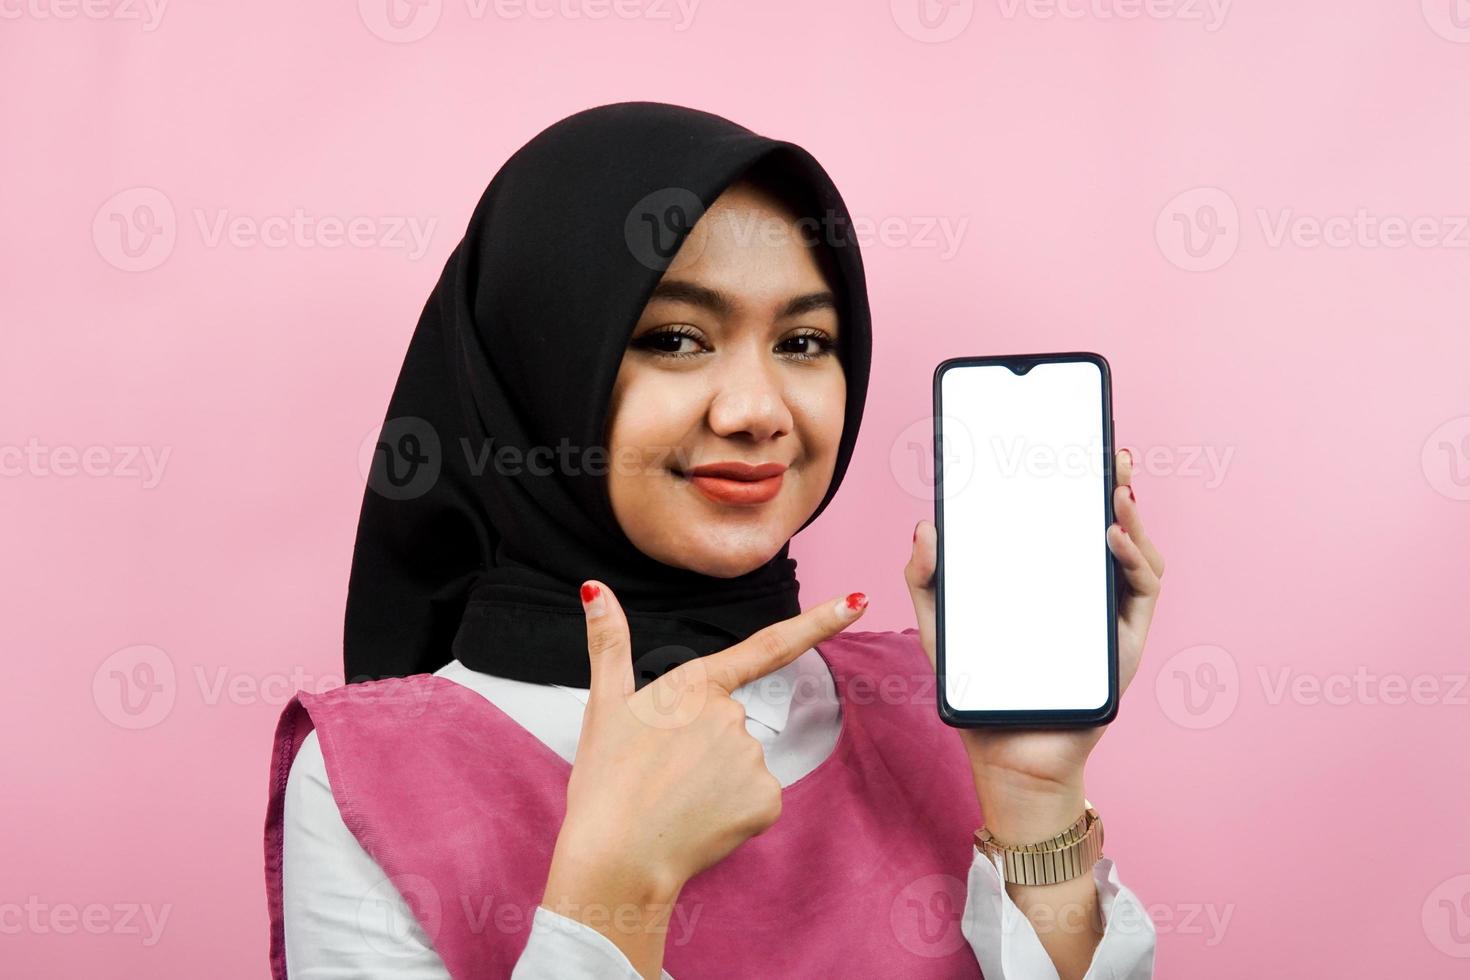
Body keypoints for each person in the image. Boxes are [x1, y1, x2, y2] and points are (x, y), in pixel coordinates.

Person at [263, 101, 1165, 979]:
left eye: (806, 341)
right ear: (536, 361)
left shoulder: (946, 706)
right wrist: (614, 888)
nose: (756, 412)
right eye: (678, 338)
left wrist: (1036, 800)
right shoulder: (370, 779)